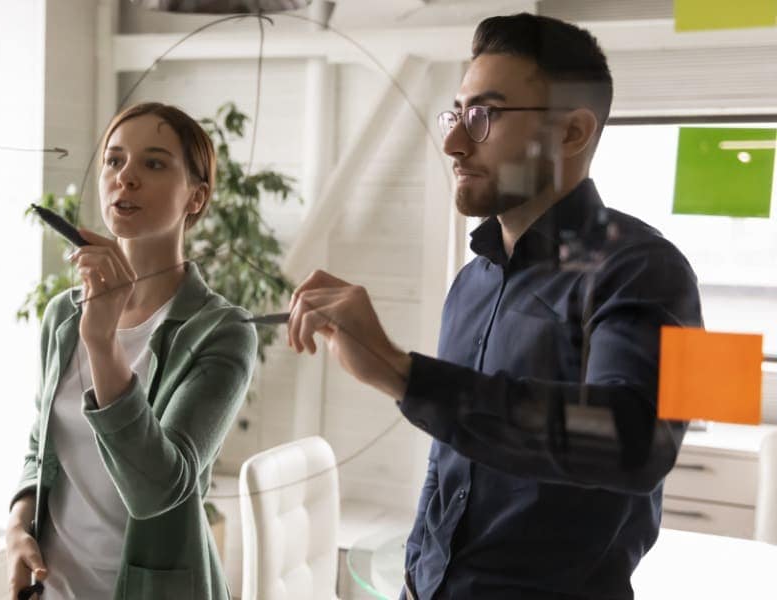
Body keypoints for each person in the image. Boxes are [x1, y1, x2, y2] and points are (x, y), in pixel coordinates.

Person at [285, 13, 702, 599]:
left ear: (572, 133)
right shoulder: (471, 282)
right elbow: (450, 465)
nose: (454, 140)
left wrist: (402, 373)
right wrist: (416, 575)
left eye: (485, 115)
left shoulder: (653, 270)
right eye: (456, 113)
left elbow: (637, 444)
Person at [4, 102, 259, 600]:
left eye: (154, 163)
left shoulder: (222, 332)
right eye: (114, 160)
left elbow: (160, 491)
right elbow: (41, 448)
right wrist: (17, 527)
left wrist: (102, 345)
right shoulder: (62, 315)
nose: (126, 177)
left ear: (196, 197)